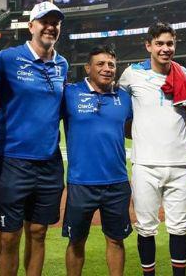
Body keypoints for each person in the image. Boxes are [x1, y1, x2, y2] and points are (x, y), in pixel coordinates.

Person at [0, 1, 69, 276]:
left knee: (38, 231)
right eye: (44, 22)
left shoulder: (62, 64)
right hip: (12, 161)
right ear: (31, 26)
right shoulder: (7, 59)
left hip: (48, 162)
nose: (50, 27)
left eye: (55, 23)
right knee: (9, 236)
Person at [118, 23, 186, 276]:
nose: (165, 49)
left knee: (179, 227)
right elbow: (119, 109)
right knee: (146, 227)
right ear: (148, 45)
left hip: (179, 165)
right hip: (145, 165)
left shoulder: (182, 71)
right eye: (159, 43)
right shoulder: (132, 74)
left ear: (175, 45)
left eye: (169, 43)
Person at [62, 46, 133, 276]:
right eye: (100, 64)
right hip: (81, 183)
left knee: (115, 241)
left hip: (117, 183)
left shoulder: (124, 97)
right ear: (88, 68)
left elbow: (133, 129)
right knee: (76, 241)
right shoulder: (70, 93)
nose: (107, 68)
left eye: (111, 64)